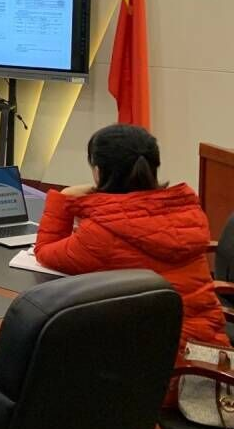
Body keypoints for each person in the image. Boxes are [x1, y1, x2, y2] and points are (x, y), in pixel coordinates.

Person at [35, 124, 228, 370]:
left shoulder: (102, 234)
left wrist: (64, 198)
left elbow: (45, 251)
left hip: (155, 372)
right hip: (211, 359)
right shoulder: (186, 212)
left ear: (98, 172)